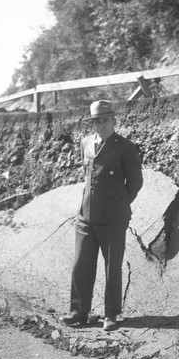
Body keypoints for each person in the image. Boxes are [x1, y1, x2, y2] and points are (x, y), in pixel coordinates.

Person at [61, 100, 143, 331]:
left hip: (113, 219)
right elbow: (88, 176)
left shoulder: (125, 147)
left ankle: (111, 315)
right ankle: (79, 311)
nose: (102, 125)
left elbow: (136, 182)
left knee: (112, 268)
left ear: (114, 120)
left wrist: (119, 204)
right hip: (85, 217)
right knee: (81, 265)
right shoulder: (85, 142)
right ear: (92, 123)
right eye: (97, 121)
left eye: (105, 120)